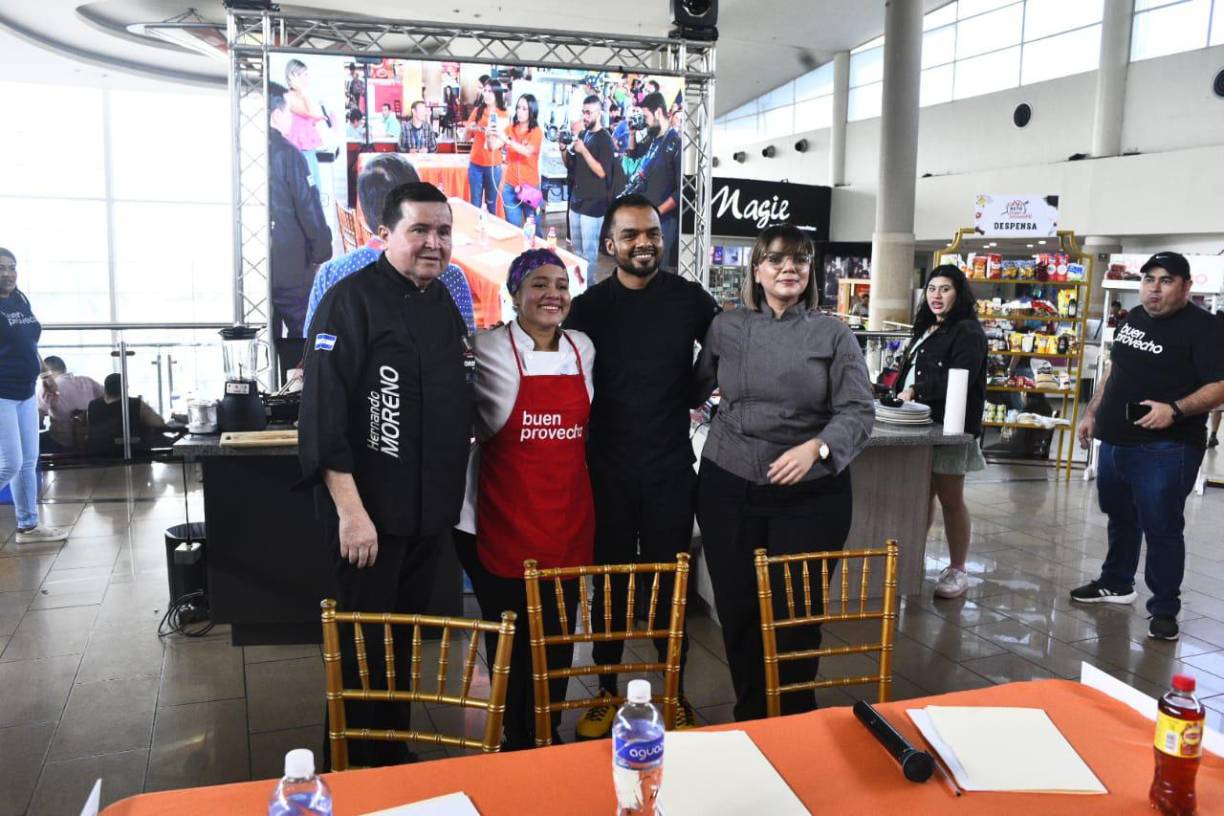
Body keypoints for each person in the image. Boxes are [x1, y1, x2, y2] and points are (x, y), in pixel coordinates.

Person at [299, 182, 473, 766]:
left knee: (400, 648)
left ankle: (391, 762)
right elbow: (323, 417)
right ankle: (348, 773)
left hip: (426, 518)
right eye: (419, 230)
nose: (433, 242)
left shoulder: (443, 301)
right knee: (361, 652)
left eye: (442, 231)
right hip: (368, 520)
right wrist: (351, 514)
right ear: (386, 235)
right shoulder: (348, 301)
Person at [693, 224, 874, 722]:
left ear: (810, 271)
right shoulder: (726, 327)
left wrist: (816, 447)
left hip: (811, 494)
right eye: (775, 259)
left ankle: (795, 717)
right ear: (757, 269)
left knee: (796, 614)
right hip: (729, 483)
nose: (787, 268)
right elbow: (693, 388)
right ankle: (752, 714)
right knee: (740, 610)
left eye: (798, 260)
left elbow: (859, 410)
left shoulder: (833, 333)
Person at [563, 195, 719, 736]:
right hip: (602, 471)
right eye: (630, 235)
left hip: (670, 468)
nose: (644, 242)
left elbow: (721, 347)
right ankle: (606, 690)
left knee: (668, 585)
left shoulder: (689, 299)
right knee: (606, 583)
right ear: (610, 244)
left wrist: (699, 387)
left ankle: (670, 691)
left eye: (652, 232)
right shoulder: (587, 308)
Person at [454, 248, 596, 749]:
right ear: (514, 294)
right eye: (538, 283)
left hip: (565, 518)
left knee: (557, 639)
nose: (551, 294)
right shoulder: (485, 346)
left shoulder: (583, 349)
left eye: (560, 284)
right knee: (510, 643)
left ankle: (547, 730)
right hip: (496, 519)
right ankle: (516, 738)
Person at [1072, 251, 1224, 641]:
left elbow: (1220, 386)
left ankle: (1165, 608)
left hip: (1167, 447)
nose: (1154, 289)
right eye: (1149, 279)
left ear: (1186, 286)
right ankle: (1117, 582)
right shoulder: (1135, 317)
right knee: (1120, 517)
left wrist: (1175, 410)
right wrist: (1092, 411)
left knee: (1161, 527)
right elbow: (1115, 368)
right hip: (1116, 441)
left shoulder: (1205, 329)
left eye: (1166, 280)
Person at [896, 265, 989, 600]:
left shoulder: (967, 332)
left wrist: (917, 391)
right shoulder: (927, 327)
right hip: (920, 424)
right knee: (922, 496)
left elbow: (960, 379)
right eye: (932, 288)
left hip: (949, 427)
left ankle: (958, 568)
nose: (936, 295)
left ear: (958, 293)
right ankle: (912, 559)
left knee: (950, 498)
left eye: (945, 288)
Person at [304, 155, 474, 336]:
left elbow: (308, 349)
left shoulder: (329, 275)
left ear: (363, 213)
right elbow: (468, 351)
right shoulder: (451, 277)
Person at [0, 248, 68, 544]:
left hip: (25, 392)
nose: (7, 273)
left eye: (12, 267)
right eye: (1, 268)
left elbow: (28, 343)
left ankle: (28, 526)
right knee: (10, 463)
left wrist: (44, 374)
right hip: (1, 395)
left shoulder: (19, 298)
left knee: (29, 460)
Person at [268, 81, 332, 356]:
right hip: (291, 263)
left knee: (265, 337)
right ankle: (295, 393)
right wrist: (321, 251)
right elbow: (308, 208)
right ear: (276, 115)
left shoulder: (244, 151)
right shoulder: (287, 154)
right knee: (303, 333)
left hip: (258, 264)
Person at [624, 92, 682, 269]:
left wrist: (657, 211)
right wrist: (632, 133)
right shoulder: (652, 138)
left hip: (663, 222)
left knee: (657, 270)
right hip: (646, 217)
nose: (645, 121)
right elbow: (633, 153)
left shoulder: (675, 142)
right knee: (642, 268)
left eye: (646, 116)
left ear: (658, 112)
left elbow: (683, 190)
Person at [562, 95, 615, 272]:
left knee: (589, 255)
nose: (585, 116)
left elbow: (601, 172)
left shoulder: (605, 139)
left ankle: (589, 291)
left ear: (598, 113)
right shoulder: (584, 134)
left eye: (588, 113)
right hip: (577, 200)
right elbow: (570, 165)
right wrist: (563, 149)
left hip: (593, 205)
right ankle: (579, 290)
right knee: (576, 252)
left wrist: (584, 150)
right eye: (583, 112)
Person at [85, 373, 169, 454]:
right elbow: (159, 423)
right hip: (134, 457)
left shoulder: (92, 405)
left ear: (105, 389)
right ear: (125, 388)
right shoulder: (134, 404)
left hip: (99, 458)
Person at [37, 355, 103, 453]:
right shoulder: (87, 381)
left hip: (62, 442)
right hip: (90, 440)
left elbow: (38, 415)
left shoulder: (50, 387)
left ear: (48, 372)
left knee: (32, 444)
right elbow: (108, 398)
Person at [501, 94, 545, 231]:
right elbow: (492, 146)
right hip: (510, 188)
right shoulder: (510, 128)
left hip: (530, 188)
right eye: (518, 107)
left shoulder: (536, 132)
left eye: (524, 108)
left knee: (534, 231)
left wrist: (507, 140)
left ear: (532, 111)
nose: (520, 111)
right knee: (513, 230)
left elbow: (526, 151)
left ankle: (537, 253)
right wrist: (491, 134)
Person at [465, 81, 508, 215]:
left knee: (491, 204)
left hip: (494, 165)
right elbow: (466, 137)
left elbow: (502, 140)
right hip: (475, 164)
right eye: (485, 90)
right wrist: (471, 128)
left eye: (491, 91)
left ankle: (491, 233)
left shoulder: (503, 114)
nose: (487, 94)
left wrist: (488, 132)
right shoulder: (478, 111)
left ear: (497, 94)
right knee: (475, 204)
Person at [284, 59, 327, 192]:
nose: (308, 78)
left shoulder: (302, 96)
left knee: (315, 190)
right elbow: (311, 112)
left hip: (308, 150)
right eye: (305, 75)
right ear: (294, 76)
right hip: (298, 151)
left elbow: (311, 117)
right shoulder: (288, 97)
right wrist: (303, 91)